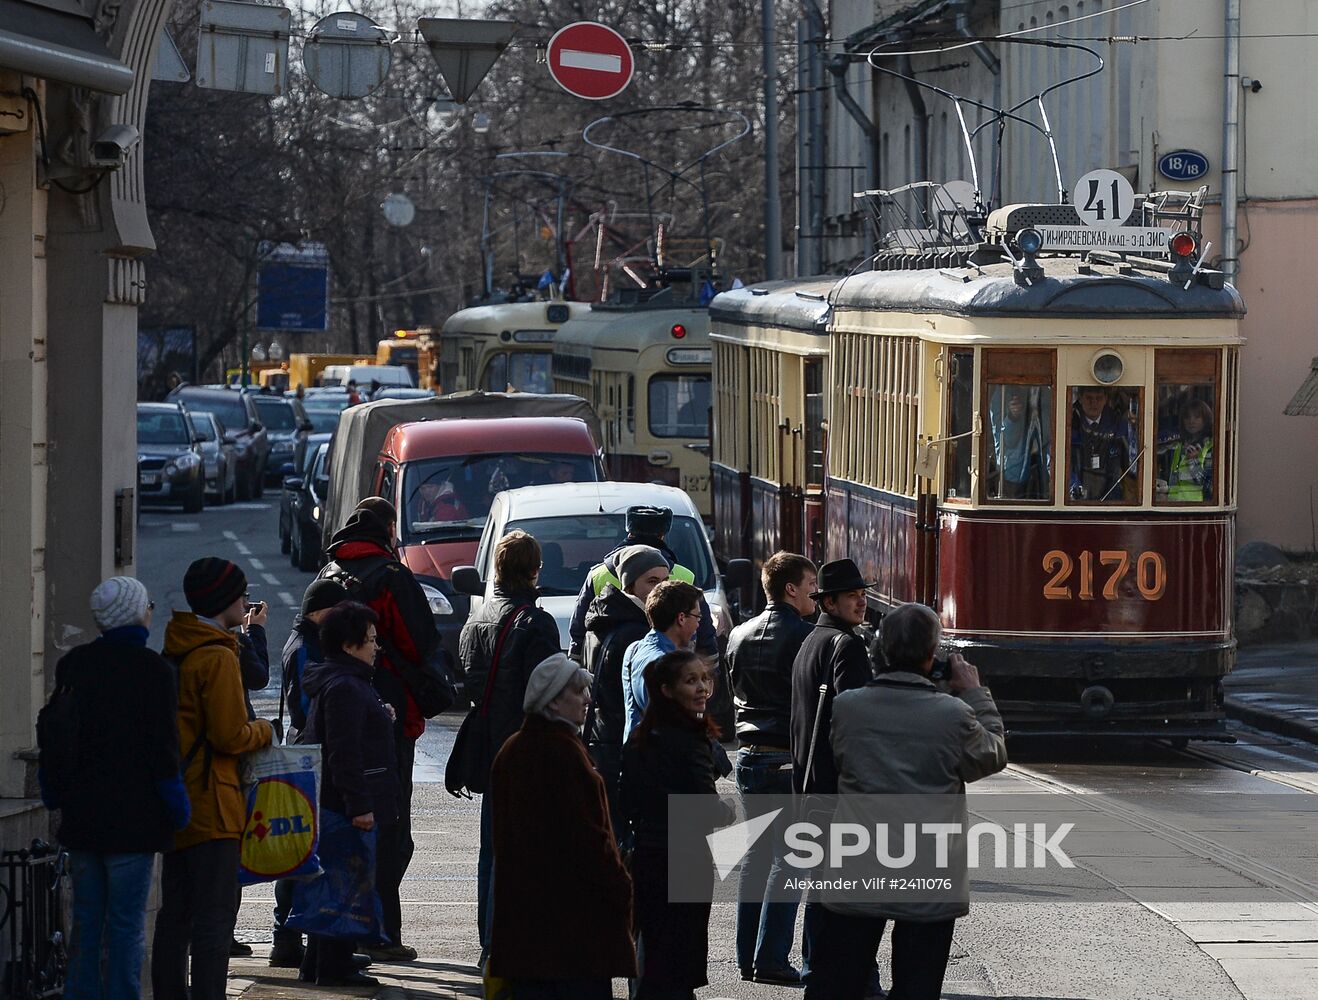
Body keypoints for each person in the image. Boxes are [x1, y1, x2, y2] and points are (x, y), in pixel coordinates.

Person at [805, 604, 1007, 1000]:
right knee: (917, 984)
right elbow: (991, 756)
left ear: (880, 651)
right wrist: (974, 694)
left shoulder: (849, 707)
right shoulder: (953, 714)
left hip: (857, 862)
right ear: (933, 656)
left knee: (838, 981)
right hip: (927, 869)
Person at [40, 577, 190, 1000]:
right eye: (148, 606)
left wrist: (55, 794)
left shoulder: (75, 665)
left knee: (86, 922)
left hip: (83, 815)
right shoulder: (153, 671)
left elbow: (57, 734)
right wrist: (177, 807)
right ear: (135, 614)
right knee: (126, 927)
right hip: (134, 820)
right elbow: (164, 751)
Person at [318, 497, 441, 961]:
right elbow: (417, 642)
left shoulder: (328, 573)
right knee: (389, 828)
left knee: (338, 822)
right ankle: (382, 931)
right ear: (390, 530)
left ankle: (320, 937)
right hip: (386, 710)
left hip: (330, 706)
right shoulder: (391, 577)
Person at [153, 558, 274, 1000]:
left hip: (181, 799)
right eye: (241, 594)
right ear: (224, 599)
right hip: (215, 803)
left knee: (175, 916)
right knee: (213, 919)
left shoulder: (179, 647)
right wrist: (266, 731)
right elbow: (230, 735)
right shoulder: (217, 657)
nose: (246, 602)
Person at [488, 654, 636, 998]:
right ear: (553, 699)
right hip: (572, 932)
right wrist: (620, 886)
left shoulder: (513, 750)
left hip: (526, 928)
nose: (587, 698)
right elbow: (590, 841)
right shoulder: (564, 754)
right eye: (577, 692)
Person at [455, 529, 561, 955]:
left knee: (492, 852)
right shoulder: (536, 623)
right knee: (525, 853)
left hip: (488, 743)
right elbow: (549, 689)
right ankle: (508, 944)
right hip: (526, 744)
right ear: (535, 570)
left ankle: (489, 942)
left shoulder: (476, 618)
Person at [297, 602, 400, 988]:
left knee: (335, 882)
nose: (376, 646)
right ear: (348, 645)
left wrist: (379, 714)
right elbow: (343, 752)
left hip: (340, 802)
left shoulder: (348, 682)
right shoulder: (345, 686)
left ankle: (321, 960)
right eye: (370, 640)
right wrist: (360, 807)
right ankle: (333, 966)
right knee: (343, 883)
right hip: (344, 805)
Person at [727, 552, 817, 985]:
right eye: (811, 587)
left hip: (747, 755)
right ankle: (772, 958)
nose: (815, 595)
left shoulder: (739, 634)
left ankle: (748, 956)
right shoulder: (805, 636)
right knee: (791, 858)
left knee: (757, 858)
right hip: (785, 755)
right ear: (790, 590)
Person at [621, 650, 732, 1000]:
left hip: (648, 854)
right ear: (667, 690)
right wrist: (726, 811)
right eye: (691, 680)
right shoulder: (692, 739)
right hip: (686, 859)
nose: (702, 688)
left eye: (705, 679)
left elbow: (627, 804)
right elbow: (705, 807)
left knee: (653, 953)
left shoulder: (639, 738)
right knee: (680, 961)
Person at [789, 557, 877, 992]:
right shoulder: (847, 646)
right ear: (829, 600)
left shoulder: (812, 640)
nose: (861, 600)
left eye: (863, 593)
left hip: (810, 784)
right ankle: (849, 978)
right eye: (852, 595)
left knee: (824, 890)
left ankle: (817, 970)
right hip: (838, 789)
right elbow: (855, 718)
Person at [269, 578, 351, 969]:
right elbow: (303, 705)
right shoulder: (305, 647)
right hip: (307, 754)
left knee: (302, 848)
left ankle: (290, 936)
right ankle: (286, 935)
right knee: (301, 850)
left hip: (307, 751)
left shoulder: (304, 641)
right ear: (320, 611)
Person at [581, 545, 671, 838]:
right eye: (652, 581)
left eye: (665, 579)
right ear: (629, 584)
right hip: (618, 743)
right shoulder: (634, 632)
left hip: (601, 739)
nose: (661, 587)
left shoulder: (603, 621)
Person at [568, 505, 715, 662]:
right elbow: (705, 636)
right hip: (674, 674)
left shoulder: (597, 574)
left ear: (629, 532)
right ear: (662, 535)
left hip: (606, 667)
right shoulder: (685, 576)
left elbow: (578, 632)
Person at [621, 579, 705, 743]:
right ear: (681, 618)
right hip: (663, 761)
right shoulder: (666, 664)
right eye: (697, 617)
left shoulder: (634, 650)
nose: (698, 624)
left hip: (637, 756)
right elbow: (676, 725)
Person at [1069, 386, 1136, 502]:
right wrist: (1074, 487)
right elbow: (1055, 461)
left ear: (1105, 399)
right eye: (1089, 398)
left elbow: (1131, 460)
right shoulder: (1068, 423)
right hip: (1076, 499)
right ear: (1080, 398)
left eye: (1099, 398)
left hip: (1111, 497)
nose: (1094, 403)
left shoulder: (1118, 424)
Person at [989, 385, 1051, 500]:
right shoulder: (1003, 392)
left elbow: (1050, 433)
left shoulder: (1048, 392)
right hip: (1012, 472)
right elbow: (1004, 439)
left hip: (1043, 470)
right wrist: (1013, 417)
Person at [1159, 399, 1213, 502]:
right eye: (1187, 417)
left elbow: (1210, 486)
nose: (1191, 421)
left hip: (1197, 510)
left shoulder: (1209, 448)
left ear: (1205, 419)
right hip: (1174, 507)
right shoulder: (1179, 447)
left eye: (1197, 417)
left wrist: (1193, 462)